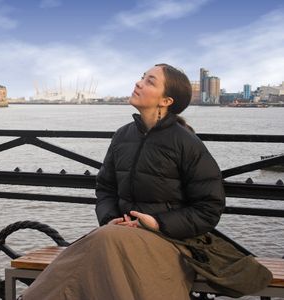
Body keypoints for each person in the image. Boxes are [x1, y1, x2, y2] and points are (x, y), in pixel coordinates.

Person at [21, 63, 225, 300]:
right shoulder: (123, 136)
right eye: (142, 77)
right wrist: (110, 219)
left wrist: (157, 222)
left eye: (150, 81)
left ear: (166, 101)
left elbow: (209, 208)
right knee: (103, 244)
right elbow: (105, 187)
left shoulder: (186, 143)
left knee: (99, 244)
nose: (139, 83)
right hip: (119, 235)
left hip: (171, 241)